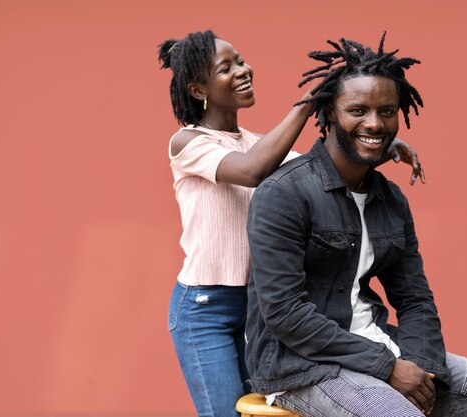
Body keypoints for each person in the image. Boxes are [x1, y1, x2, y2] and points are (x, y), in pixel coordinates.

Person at [245, 33, 467, 417]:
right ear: (331, 112)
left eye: (386, 111)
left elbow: (414, 298)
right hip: (301, 365)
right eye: (358, 110)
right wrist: (388, 368)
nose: (374, 123)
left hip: (382, 346)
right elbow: (284, 312)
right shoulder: (285, 193)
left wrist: (421, 364)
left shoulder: (391, 199)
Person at [157, 30, 425, 417]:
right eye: (226, 68)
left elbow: (320, 169)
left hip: (260, 304)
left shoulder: (258, 142)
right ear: (199, 90)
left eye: (242, 60)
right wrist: (312, 101)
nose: (243, 70)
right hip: (206, 307)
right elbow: (251, 171)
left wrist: (379, 146)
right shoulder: (188, 143)